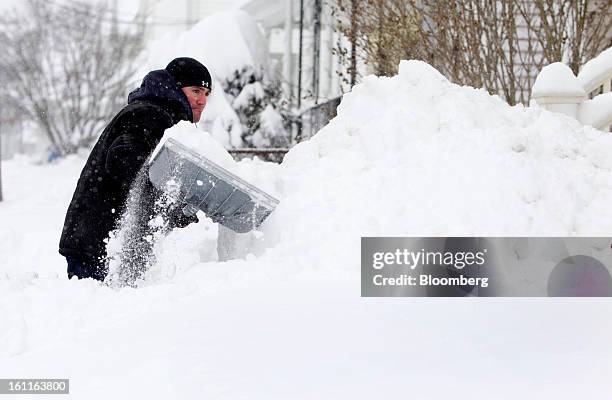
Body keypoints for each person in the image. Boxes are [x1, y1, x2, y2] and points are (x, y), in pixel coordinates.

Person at [59, 57, 212, 281]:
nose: (202, 101)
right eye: (196, 91)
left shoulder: (158, 115)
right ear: (175, 88)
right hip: (100, 242)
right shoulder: (149, 114)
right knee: (97, 312)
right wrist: (173, 206)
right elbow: (126, 162)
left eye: (206, 94)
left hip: (98, 237)